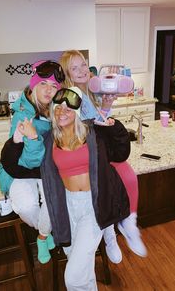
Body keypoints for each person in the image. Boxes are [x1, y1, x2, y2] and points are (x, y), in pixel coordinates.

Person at [59, 50, 147, 263]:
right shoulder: (72, 95)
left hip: (97, 147)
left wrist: (106, 106)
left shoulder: (87, 92)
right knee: (125, 175)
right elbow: (81, 126)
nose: (82, 71)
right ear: (67, 73)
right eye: (75, 68)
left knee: (127, 174)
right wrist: (100, 121)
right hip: (86, 156)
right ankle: (124, 225)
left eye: (83, 65)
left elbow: (97, 120)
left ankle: (126, 224)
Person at [42, 87, 130, 290]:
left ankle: (109, 234)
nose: (61, 112)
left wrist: (111, 126)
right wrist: (20, 140)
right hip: (67, 207)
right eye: (58, 108)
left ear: (78, 113)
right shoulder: (49, 140)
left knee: (73, 277)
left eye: (68, 109)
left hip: (93, 205)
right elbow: (24, 165)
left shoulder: (93, 134)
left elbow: (120, 152)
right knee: (83, 267)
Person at [0, 60, 65, 264]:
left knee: (54, 199)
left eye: (54, 86)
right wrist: (34, 139)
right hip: (20, 170)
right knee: (26, 206)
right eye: (44, 83)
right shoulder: (23, 115)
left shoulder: (55, 109)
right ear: (34, 83)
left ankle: (42, 237)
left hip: (44, 168)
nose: (48, 90)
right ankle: (46, 232)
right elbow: (25, 161)